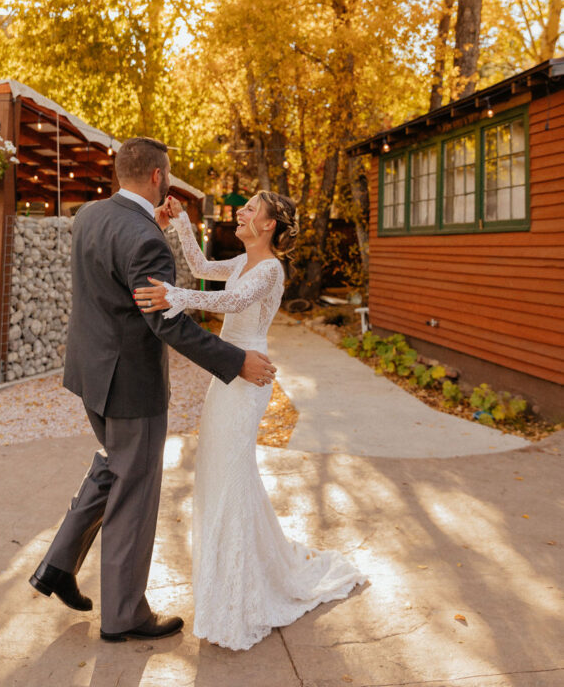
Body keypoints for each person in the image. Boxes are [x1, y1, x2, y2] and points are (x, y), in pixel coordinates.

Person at [29, 137, 276, 643]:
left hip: (91, 374)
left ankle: (57, 565)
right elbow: (169, 323)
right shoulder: (144, 239)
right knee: (135, 493)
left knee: (112, 468)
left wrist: (162, 227)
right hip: (131, 385)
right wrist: (236, 362)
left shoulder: (91, 215)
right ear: (159, 177)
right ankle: (124, 615)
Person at [134, 190, 365, 650]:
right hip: (227, 379)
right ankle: (231, 578)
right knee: (219, 475)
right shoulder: (240, 261)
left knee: (232, 478)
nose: (241, 213)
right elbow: (201, 267)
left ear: (269, 225)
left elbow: (233, 302)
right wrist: (181, 222)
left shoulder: (269, 269)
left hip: (247, 382)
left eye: (251, 209)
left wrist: (171, 296)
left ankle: (239, 597)